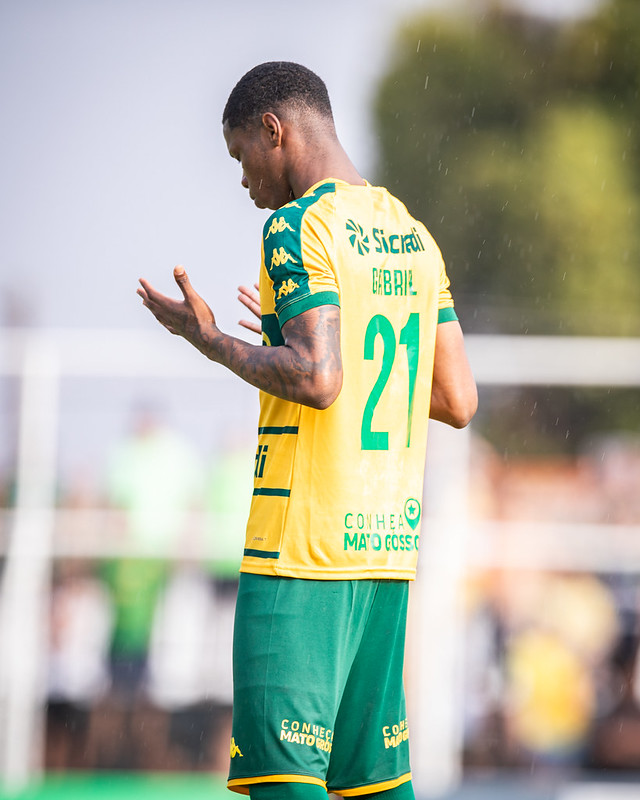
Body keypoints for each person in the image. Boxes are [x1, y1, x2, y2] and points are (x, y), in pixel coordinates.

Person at [138, 61, 477, 800]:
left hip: (301, 560)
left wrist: (213, 342)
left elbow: (320, 380)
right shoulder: (412, 236)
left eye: (240, 157)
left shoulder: (295, 229)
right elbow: (457, 398)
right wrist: (288, 346)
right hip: (383, 561)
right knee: (373, 789)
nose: (243, 182)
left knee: (285, 784)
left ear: (274, 130)